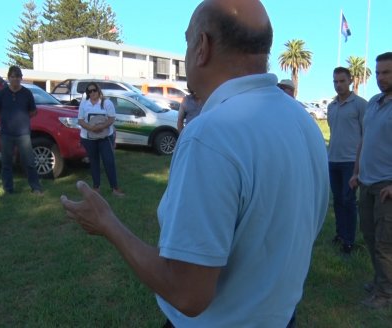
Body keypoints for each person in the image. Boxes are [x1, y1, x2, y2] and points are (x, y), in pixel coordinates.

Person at [61, 0, 329, 326]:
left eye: (187, 41)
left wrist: (107, 224)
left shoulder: (210, 134)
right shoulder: (303, 123)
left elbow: (188, 293)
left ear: (202, 47)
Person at [349, 52, 392, 309]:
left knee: (386, 244)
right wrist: (356, 172)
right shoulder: (375, 103)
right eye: (378, 73)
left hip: (387, 186)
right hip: (366, 183)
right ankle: (381, 282)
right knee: (371, 237)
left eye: (386, 72)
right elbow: (365, 141)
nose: (380, 78)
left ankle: (387, 294)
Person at [327, 67, 367, 254]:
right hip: (333, 160)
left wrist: (359, 167)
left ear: (350, 81)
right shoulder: (331, 106)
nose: (338, 85)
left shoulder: (360, 104)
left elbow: (366, 134)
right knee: (337, 200)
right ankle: (340, 234)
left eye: (342, 81)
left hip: (351, 161)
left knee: (348, 200)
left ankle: (349, 241)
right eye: (335, 81)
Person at [0, 65, 42, 195]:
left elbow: (33, 111)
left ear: (21, 78)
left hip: (23, 134)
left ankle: (35, 188)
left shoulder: (27, 93)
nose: (15, 79)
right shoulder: (2, 93)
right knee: (6, 163)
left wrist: (22, 120)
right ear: (9, 78)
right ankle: (8, 189)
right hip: (6, 134)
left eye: (17, 77)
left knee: (29, 162)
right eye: (12, 77)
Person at [77, 82, 124, 197]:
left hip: (105, 136)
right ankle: (96, 188)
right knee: (94, 162)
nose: (92, 93)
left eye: (94, 90)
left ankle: (114, 188)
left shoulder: (106, 103)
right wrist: (91, 128)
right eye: (89, 91)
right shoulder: (84, 104)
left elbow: (111, 118)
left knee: (109, 161)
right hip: (88, 137)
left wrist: (100, 127)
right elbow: (80, 120)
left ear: (98, 90)